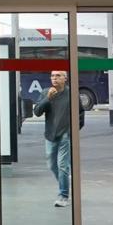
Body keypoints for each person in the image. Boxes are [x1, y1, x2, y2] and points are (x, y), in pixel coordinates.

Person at [32, 69, 76, 208]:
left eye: (58, 76)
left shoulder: (71, 94)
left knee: (62, 165)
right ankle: (66, 182)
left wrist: (72, 130)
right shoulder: (46, 92)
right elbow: (37, 112)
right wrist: (48, 98)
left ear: (65, 78)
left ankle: (63, 195)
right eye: (52, 76)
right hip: (50, 134)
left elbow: (80, 113)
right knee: (51, 165)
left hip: (65, 134)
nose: (54, 78)